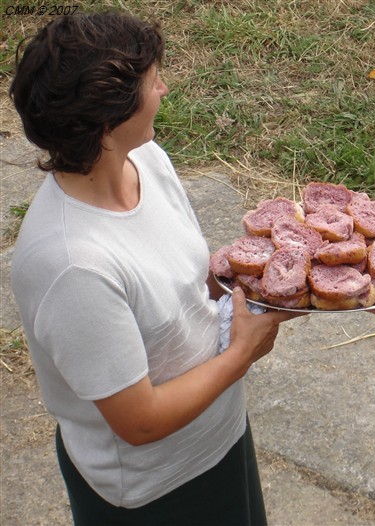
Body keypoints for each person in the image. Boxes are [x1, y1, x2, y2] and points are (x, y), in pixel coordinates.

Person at [10, 11, 300, 525]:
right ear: (107, 121)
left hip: (218, 434)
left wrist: (281, 293)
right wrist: (242, 354)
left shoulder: (144, 161)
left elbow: (201, 283)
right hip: (156, 489)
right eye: (151, 83)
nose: (164, 89)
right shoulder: (74, 267)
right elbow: (139, 423)